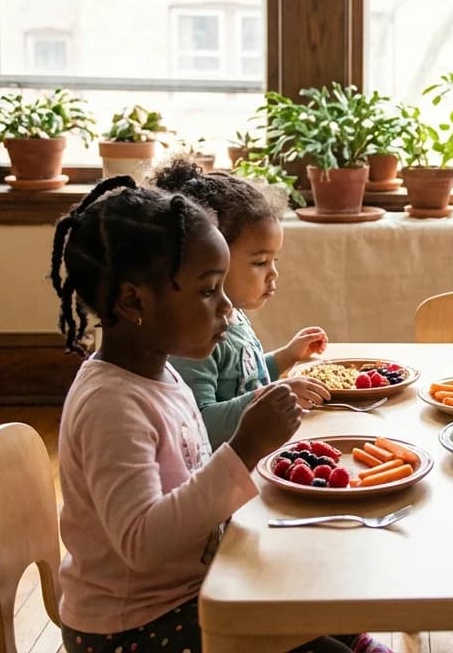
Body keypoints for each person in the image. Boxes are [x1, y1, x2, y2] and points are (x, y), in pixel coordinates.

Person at [49, 177, 382, 653]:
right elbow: (141, 543)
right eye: (208, 290)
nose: (227, 306)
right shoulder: (111, 405)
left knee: (324, 593)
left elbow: (192, 475)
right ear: (133, 302)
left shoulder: (159, 373)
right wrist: (245, 447)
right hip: (132, 628)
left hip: (188, 585)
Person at [151, 156, 332, 445]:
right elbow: (200, 424)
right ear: (212, 257)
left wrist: (286, 356)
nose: (273, 273)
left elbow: (245, 379)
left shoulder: (233, 316)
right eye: (260, 262)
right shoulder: (195, 339)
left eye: (274, 260)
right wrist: (273, 398)